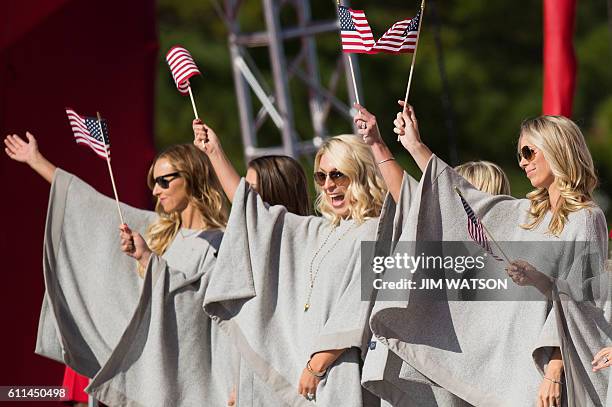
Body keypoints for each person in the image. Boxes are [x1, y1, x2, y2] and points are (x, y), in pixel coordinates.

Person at [360, 103, 607, 407]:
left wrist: (554, 369)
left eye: (529, 152)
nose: (522, 162)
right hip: (518, 361)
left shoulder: (586, 217)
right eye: (520, 155)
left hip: (554, 367)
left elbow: (583, 302)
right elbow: (462, 198)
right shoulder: (527, 214)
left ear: (557, 149)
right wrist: (414, 145)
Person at [4, 133, 233, 406]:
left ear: (192, 177)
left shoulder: (220, 242)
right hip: (149, 375)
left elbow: (203, 310)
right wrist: (36, 160)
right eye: (152, 182)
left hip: (190, 381)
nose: (156, 191)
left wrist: (149, 260)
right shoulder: (160, 230)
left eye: (163, 180)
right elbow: (93, 206)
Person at [194, 119, 390, 406]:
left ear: (361, 175)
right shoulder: (320, 229)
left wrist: (317, 365)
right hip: (307, 371)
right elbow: (252, 212)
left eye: (338, 175)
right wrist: (215, 153)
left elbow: (356, 310)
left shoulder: (377, 231)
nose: (329, 186)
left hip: (338, 371)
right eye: (321, 177)